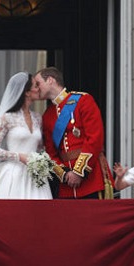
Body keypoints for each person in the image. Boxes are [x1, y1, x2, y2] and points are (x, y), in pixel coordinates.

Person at [34, 67, 111, 199]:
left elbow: (94, 139)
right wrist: (64, 174)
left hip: (91, 179)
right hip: (67, 185)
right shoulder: (47, 115)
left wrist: (78, 172)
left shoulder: (83, 101)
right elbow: (51, 153)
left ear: (50, 80)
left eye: (38, 83)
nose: (35, 88)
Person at [0, 72, 52, 199]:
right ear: (27, 92)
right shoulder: (7, 118)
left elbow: (40, 148)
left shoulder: (37, 118)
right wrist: (19, 156)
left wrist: (42, 161)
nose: (38, 89)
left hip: (35, 175)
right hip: (13, 174)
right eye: (36, 86)